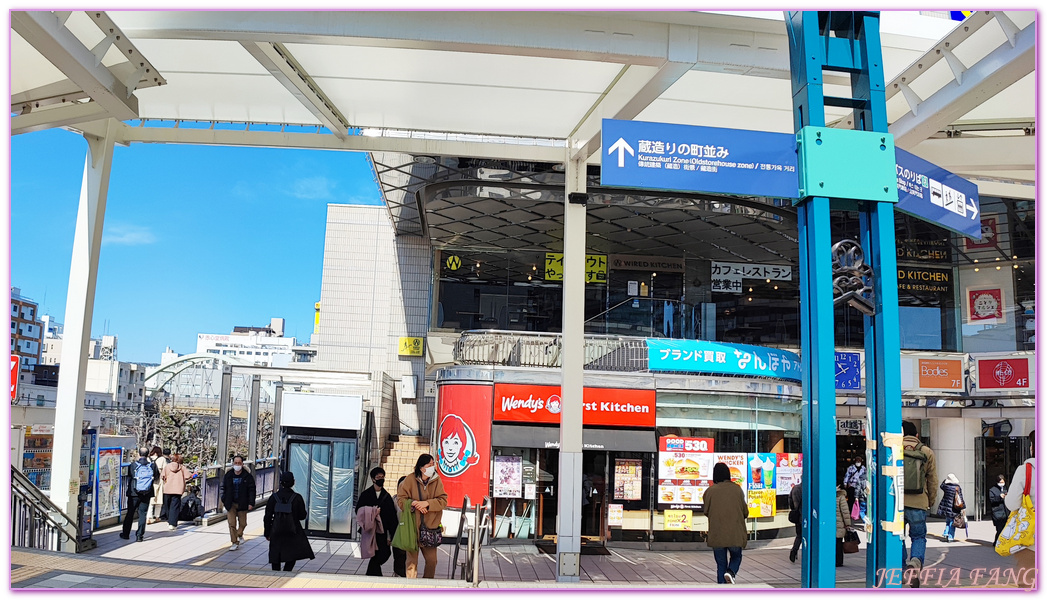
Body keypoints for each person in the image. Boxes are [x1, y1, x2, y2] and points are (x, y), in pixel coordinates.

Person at [396, 453, 448, 579]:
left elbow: (443, 501)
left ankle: (427, 586)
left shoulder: (437, 480)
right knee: (411, 563)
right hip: (412, 528)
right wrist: (413, 504)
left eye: (433, 464)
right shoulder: (409, 479)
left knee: (432, 561)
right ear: (421, 468)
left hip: (430, 529)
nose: (432, 467)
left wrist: (427, 504)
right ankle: (410, 589)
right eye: (429, 465)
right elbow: (401, 500)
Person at [902, 420, 937, 588]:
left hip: (896, 504)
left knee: (898, 538)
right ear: (917, 435)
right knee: (918, 537)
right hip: (918, 502)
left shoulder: (893, 449)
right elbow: (933, 480)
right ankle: (914, 564)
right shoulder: (926, 451)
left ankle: (902, 570)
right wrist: (930, 501)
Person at [703, 462, 748, 584]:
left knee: (721, 565)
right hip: (735, 534)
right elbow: (745, 512)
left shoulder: (709, 491)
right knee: (736, 556)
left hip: (717, 534)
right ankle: (731, 572)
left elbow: (706, 511)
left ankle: (721, 589)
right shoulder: (737, 489)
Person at [263, 471, 315, 572]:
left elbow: (267, 517)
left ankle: (276, 573)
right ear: (293, 482)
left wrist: (267, 532)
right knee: (292, 554)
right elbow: (302, 516)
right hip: (293, 530)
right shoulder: (297, 498)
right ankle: (287, 571)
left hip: (276, 530)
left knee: (276, 553)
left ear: (281, 482)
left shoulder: (273, 498)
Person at [1005, 430, 1035, 588]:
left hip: (1030, 540)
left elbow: (1011, 503)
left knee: (1027, 584)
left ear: (1033, 447)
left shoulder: (1026, 470)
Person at [356, 467, 398, 576]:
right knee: (374, 553)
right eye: (378, 477)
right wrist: (372, 512)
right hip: (371, 530)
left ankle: (372, 574)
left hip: (382, 530)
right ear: (373, 479)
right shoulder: (366, 494)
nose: (381, 479)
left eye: (382, 477)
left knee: (385, 553)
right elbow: (359, 510)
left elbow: (392, 517)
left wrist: (390, 535)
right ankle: (374, 575)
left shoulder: (387, 496)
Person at [119, 447, 160, 542]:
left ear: (139, 454)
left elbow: (129, 475)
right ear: (148, 454)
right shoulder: (152, 465)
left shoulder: (133, 465)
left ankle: (125, 534)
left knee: (130, 513)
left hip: (134, 493)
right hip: (147, 492)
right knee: (143, 514)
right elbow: (156, 477)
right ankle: (139, 536)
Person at [220, 455, 256, 551]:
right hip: (230, 503)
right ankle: (234, 542)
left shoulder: (247, 477)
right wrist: (223, 499)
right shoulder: (228, 476)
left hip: (243, 503)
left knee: (243, 523)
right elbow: (222, 488)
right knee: (231, 523)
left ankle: (239, 534)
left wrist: (251, 503)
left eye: (239, 463)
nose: (237, 465)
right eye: (235, 463)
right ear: (232, 464)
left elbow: (252, 490)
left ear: (242, 464)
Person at [161, 453, 190, 530]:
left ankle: (169, 519)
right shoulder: (182, 468)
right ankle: (172, 523)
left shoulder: (167, 467)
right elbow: (188, 476)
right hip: (178, 490)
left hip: (167, 489)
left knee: (167, 505)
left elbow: (163, 476)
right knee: (175, 506)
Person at [936, 473, 965, 542]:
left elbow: (941, 486)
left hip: (946, 507)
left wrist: (945, 480)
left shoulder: (946, 487)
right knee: (953, 523)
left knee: (948, 521)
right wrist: (963, 507)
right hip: (954, 508)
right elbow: (960, 498)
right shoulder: (957, 487)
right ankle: (950, 537)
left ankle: (946, 532)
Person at [392, 476, 408, 577]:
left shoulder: (411, 500)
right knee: (398, 555)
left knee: (407, 556)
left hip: (408, 532)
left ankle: (406, 575)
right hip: (397, 531)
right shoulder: (394, 499)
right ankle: (398, 574)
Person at [843, 456, 867, 521]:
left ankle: (858, 513)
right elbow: (847, 475)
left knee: (860, 500)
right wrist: (845, 483)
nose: (858, 462)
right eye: (857, 461)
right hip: (852, 485)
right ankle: (851, 512)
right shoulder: (851, 468)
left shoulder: (863, 468)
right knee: (851, 500)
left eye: (859, 461)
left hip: (861, 486)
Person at [836, 481, 854, 567]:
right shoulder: (841, 497)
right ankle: (839, 561)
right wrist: (848, 524)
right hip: (839, 524)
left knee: (834, 543)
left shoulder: (827, 496)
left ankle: (834, 560)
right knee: (838, 543)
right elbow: (845, 512)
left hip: (833, 524)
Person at [988, 473, 1008, 545]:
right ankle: (997, 542)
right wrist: (1000, 497)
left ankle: (1001, 542)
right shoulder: (992, 490)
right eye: (1000, 482)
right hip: (997, 512)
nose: (1002, 484)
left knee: (1005, 528)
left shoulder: (1006, 488)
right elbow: (992, 500)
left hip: (1005, 512)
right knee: (999, 528)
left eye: (1003, 482)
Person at [149, 446, 167, 522]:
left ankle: (149, 517)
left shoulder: (148, 458)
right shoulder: (162, 459)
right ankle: (157, 516)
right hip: (159, 481)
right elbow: (165, 470)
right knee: (159, 499)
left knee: (150, 499)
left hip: (149, 481)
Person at [788, 476, 803, 563]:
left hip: (798, 515)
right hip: (805, 515)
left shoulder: (795, 488)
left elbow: (789, 500)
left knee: (799, 535)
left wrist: (794, 509)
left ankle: (794, 550)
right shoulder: (808, 488)